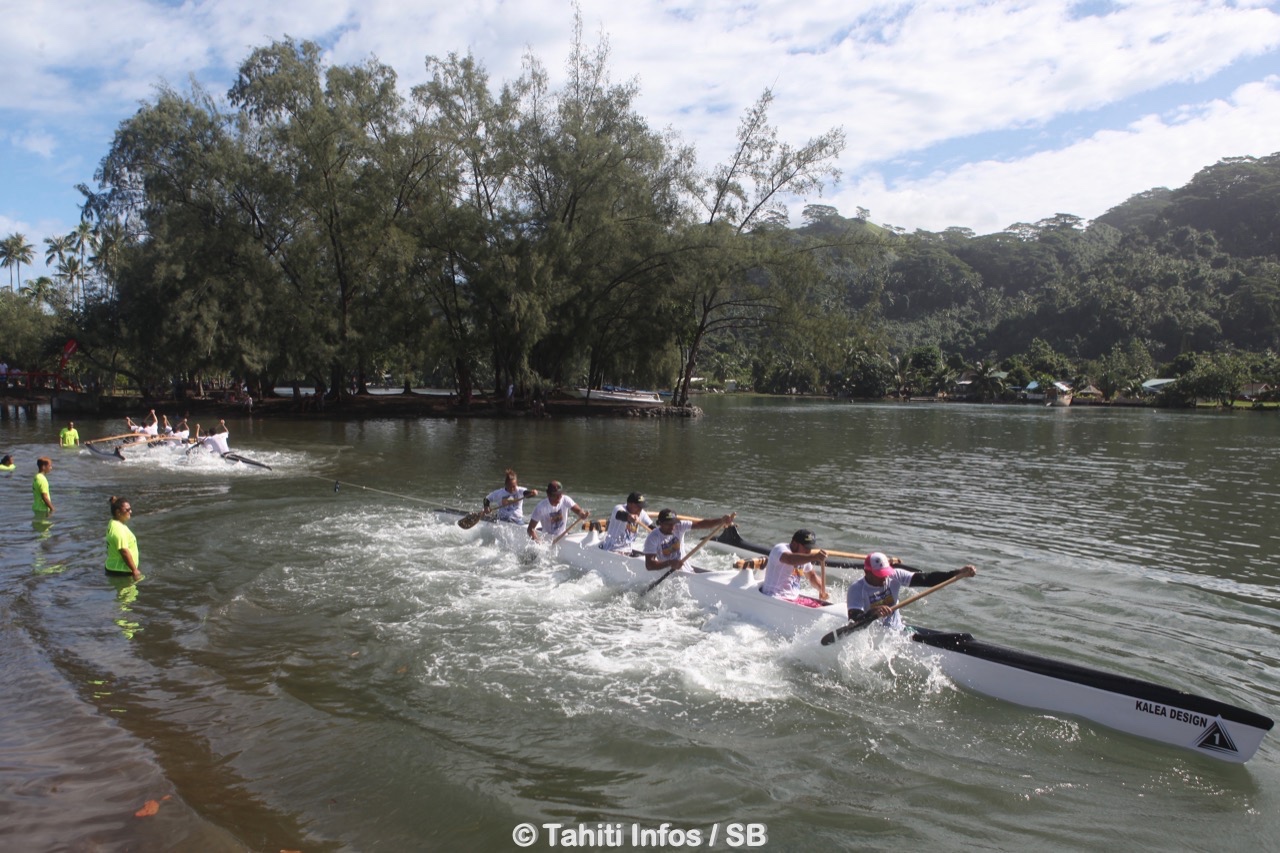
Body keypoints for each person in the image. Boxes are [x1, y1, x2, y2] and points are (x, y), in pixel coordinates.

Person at [846, 552, 977, 630]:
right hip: (875, 633)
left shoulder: (894, 575)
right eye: (879, 574)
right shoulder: (856, 589)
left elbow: (926, 579)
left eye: (885, 573)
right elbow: (854, 622)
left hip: (898, 630)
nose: (885, 577)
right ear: (867, 572)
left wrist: (957, 573)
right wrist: (873, 613)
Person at [643, 509, 736, 572]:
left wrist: (720, 520)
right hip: (667, 573)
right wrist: (670, 563)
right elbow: (649, 565)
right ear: (660, 523)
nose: (672, 527)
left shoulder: (679, 526)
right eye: (668, 524)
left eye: (673, 523)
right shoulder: (653, 537)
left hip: (687, 571)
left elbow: (701, 524)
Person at [760, 529, 829, 601]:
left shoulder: (804, 557)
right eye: (806, 547)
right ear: (794, 543)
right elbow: (790, 559)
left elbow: (812, 576)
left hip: (793, 599)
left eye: (810, 548)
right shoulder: (780, 549)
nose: (808, 551)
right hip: (773, 597)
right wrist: (814, 556)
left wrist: (822, 589)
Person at [105, 495, 141, 581]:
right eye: (127, 510)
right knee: (129, 594)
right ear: (118, 512)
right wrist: (134, 570)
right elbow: (124, 551)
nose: (131, 511)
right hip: (121, 571)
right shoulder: (118, 529)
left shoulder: (113, 522)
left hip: (116, 568)